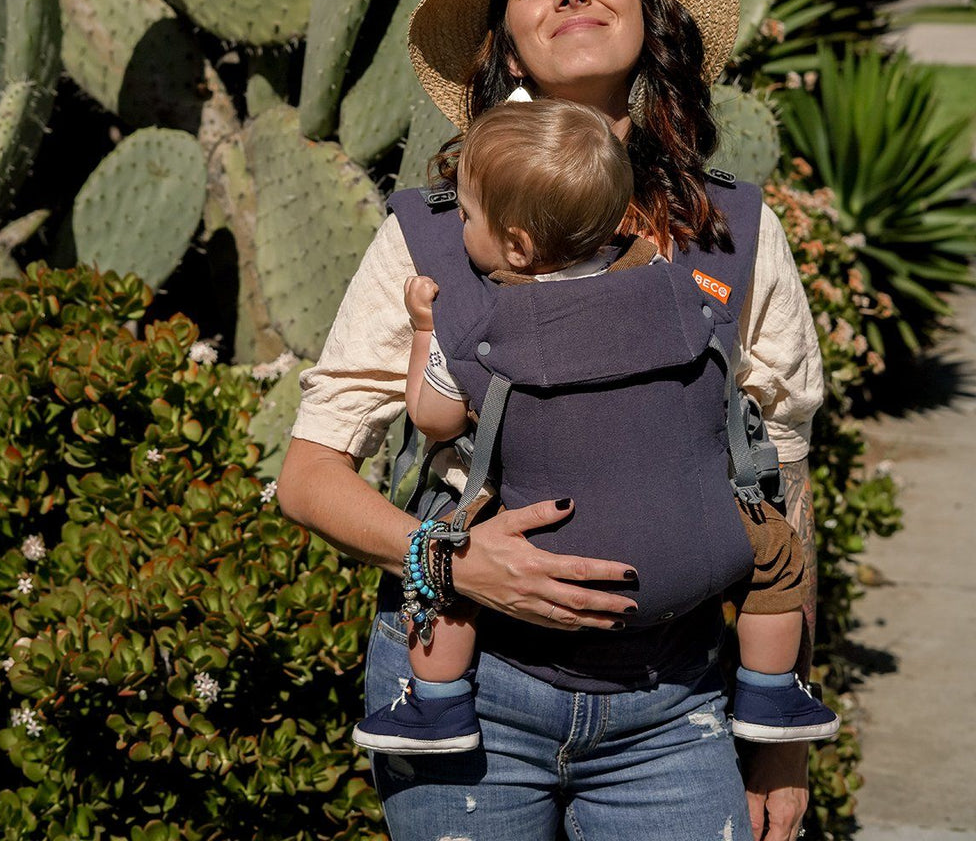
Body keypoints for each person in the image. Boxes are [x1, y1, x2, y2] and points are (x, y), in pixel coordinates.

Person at [279, 0, 824, 841]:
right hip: (466, 695)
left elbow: (779, 479)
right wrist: (447, 558)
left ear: (649, 19)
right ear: (503, 51)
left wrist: (775, 733)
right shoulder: (431, 237)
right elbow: (309, 473)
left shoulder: (738, 231)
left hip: (677, 705)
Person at [350, 99, 838, 756]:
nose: (459, 225)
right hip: (690, 553)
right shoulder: (676, 291)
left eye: (466, 215)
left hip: (545, 541)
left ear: (517, 243)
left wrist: (425, 334)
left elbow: (432, 417)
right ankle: (771, 692)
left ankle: (437, 705)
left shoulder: (486, 324)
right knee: (776, 556)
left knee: (448, 563)